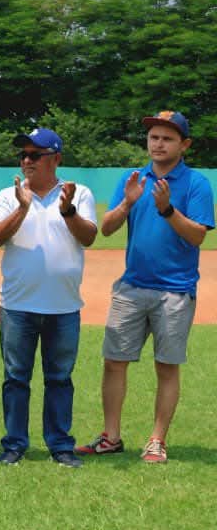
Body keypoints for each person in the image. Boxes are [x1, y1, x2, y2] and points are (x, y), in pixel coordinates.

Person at [77, 110, 213, 464]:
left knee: (166, 366)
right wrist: (128, 201)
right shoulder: (132, 176)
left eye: (167, 138)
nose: (158, 143)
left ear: (184, 144)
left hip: (175, 291)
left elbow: (197, 236)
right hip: (132, 287)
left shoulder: (197, 184)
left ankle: (156, 440)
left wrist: (168, 210)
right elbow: (106, 229)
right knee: (114, 361)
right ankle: (111, 437)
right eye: (154, 137)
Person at [0, 128, 97, 468]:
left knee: (60, 380)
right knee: (16, 379)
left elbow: (89, 236)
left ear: (56, 158)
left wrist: (68, 212)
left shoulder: (78, 193)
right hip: (18, 306)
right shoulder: (10, 195)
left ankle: (61, 445)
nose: (26, 160)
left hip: (64, 307)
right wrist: (22, 208)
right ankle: (14, 444)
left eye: (35, 155)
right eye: (23, 155)